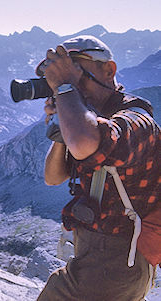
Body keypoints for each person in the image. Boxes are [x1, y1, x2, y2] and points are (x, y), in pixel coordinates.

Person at [36, 35, 160, 300]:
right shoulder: (91, 121)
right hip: (99, 260)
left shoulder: (137, 121)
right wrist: (61, 126)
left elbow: (83, 142)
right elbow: (53, 177)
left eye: (77, 71)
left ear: (109, 70)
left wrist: (65, 89)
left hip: (118, 263)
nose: (73, 84)